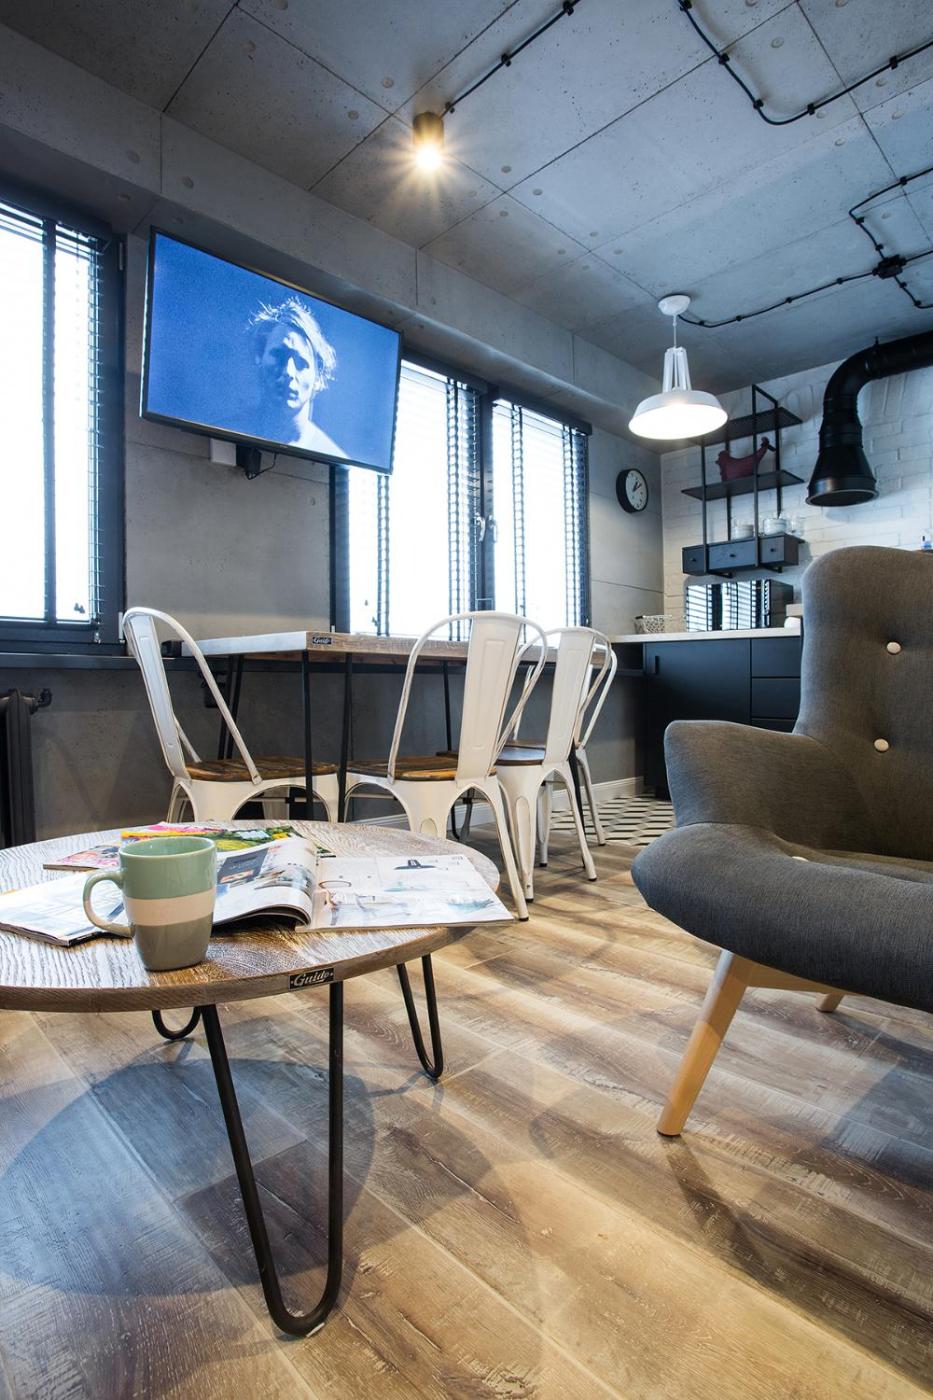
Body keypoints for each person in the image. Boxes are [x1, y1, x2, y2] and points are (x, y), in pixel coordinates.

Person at [250, 297, 346, 457]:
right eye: (278, 355)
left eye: (301, 362)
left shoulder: (335, 456)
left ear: (318, 378)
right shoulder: (226, 429)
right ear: (259, 358)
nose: (288, 371)